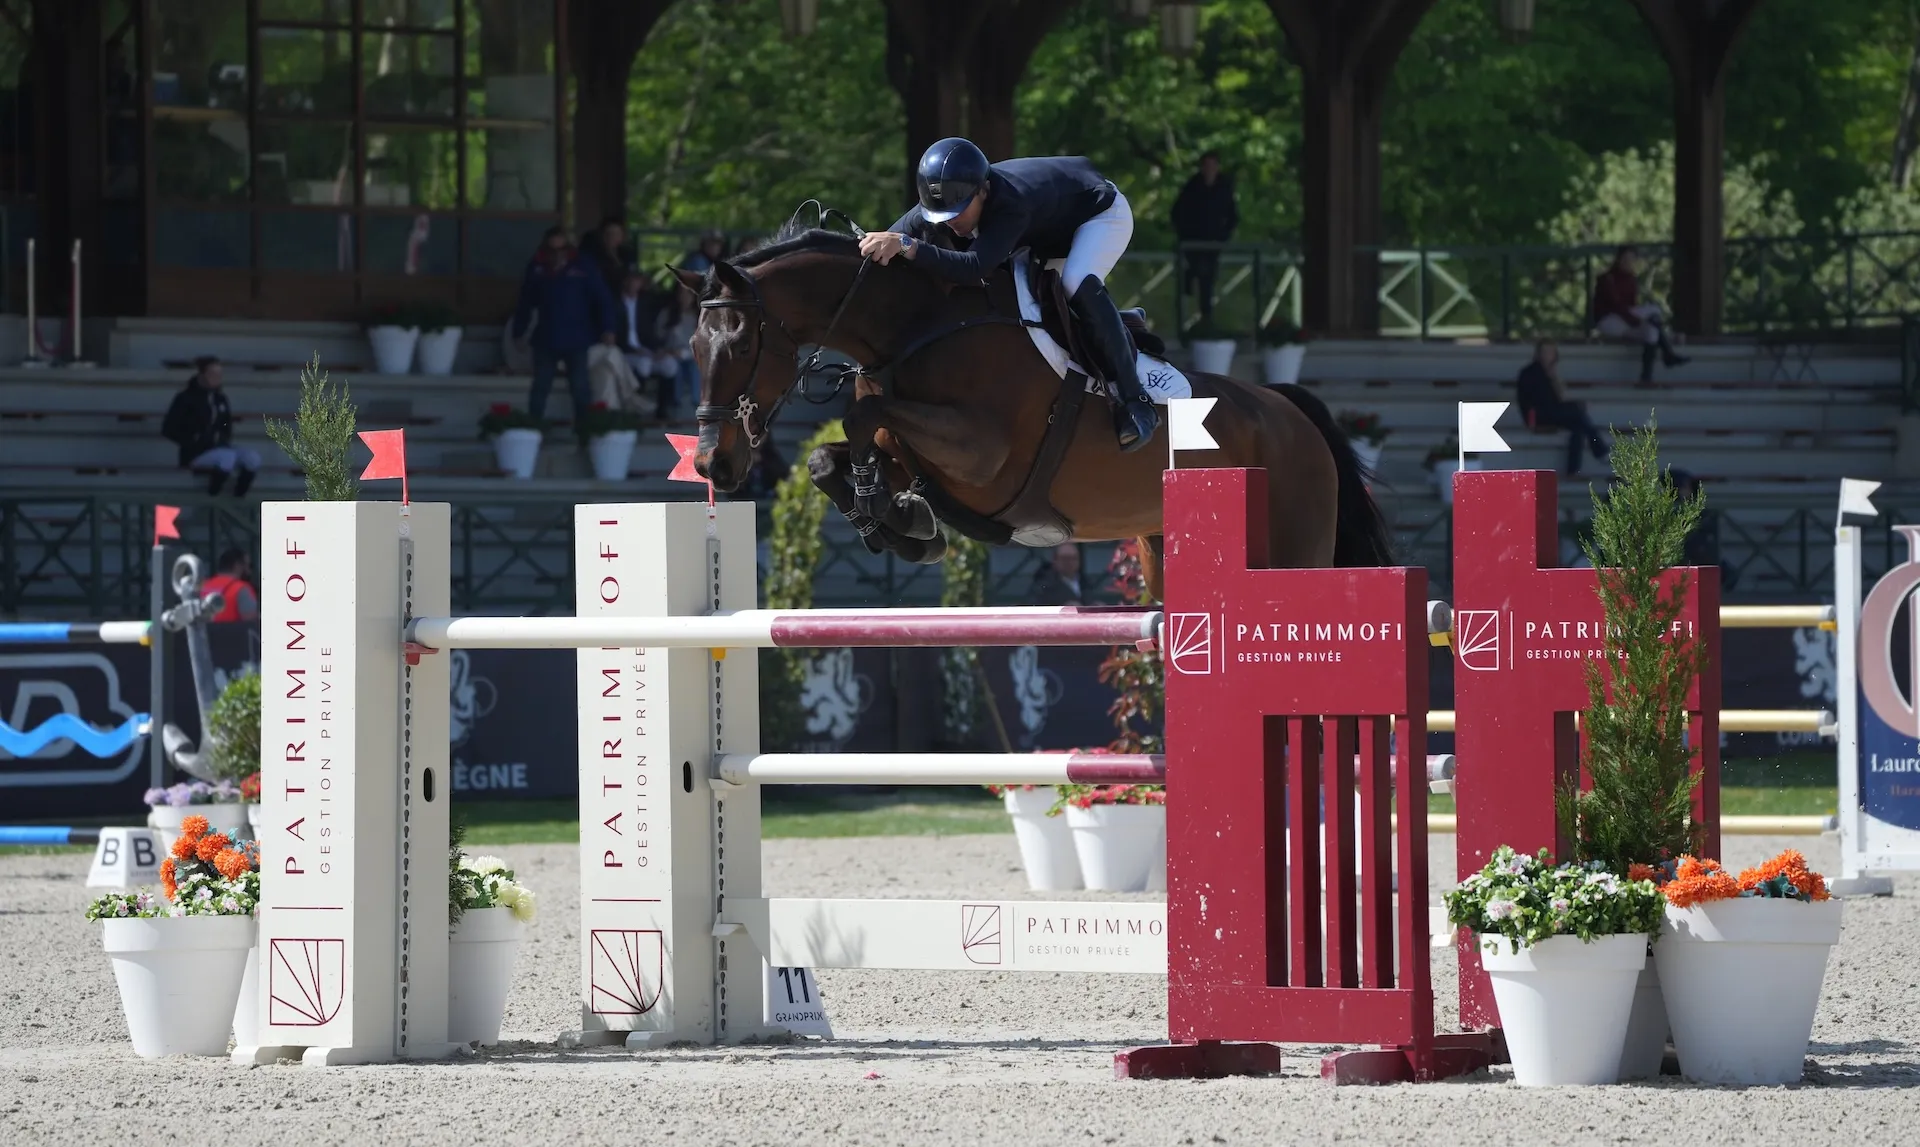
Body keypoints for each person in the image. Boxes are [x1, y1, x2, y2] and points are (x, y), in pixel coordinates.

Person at [858, 138, 1159, 453]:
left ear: (983, 191)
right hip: (1044, 230)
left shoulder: (1010, 203)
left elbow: (972, 267)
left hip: (1098, 214)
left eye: (957, 212)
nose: (949, 222)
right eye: (939, 214)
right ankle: (1113, 325)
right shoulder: (946, 198)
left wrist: (907, 245)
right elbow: (887, 249)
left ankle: (1136, 401)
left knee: (1074, 281)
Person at [510, 226, 619, 423]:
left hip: (577, 338)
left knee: (579, 388)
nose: (557, 255)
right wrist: (519, 332)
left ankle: (584, 432)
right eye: (552, 250)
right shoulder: (537, 267)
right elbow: (525, 302)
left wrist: (608, 328)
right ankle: (533, 428)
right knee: (540, 387)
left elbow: (602, 299)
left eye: (561, 249)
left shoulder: (583, 266)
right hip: (546, 337)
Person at [162, 355, 259, 496]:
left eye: (219, 374)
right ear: (201, 375)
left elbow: (225, 422)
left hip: (220, 448)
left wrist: (224, 434)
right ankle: (213, 496)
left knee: (252, 458)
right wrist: (192, 439)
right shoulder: (185, 398)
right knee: (227, 458)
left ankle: (238, 497)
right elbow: (168, 428)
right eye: (212, 374)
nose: (217, 378)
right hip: (196, 453)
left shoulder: (220, 399)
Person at [1592, 245, 1690, 382]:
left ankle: (1646, 375)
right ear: (1618, 259)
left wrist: (1639, 322)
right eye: (1625, 259)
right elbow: (1618, 307)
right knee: (1654, 310)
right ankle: (1668, 352)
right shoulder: (1607, 279)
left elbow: (1632, 306)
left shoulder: (1631, 280)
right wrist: (1637, 322)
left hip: (1626, 322)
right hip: (1609, 321)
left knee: (1651, 332)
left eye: (1631, 260)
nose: (1628, 262)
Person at [1515, 339, 1609, 475]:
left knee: (1579, 427)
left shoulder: (1550, 373)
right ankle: (1600, 450)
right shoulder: (1531, 373)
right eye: (1544, 352)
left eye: (1551, 352)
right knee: (1579, 412)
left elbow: (1559, 398)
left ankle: (1573, 469)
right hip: (1537, 415)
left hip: (1550, 412)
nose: (1547, 355)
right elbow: (1544, 401)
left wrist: (1554, 378)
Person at [1170, 151, 1238, 323]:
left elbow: (1232, 215)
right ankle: (1194, 315)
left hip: (1214, 241)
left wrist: (1224, 236)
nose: (1209, 169)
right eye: (1206, 165)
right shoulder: (1193, 186)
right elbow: (1177, 212)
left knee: (1207, 277)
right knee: (1197, 271)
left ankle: (1206, 319)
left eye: (1213, 165)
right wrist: (1184, 235)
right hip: (1192, 240)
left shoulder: (1224, 186)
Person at [199, 547, 259, 623]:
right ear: (237, 566)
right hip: (233, 634)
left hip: (206, 633)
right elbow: (252, 623)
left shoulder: (204, 586)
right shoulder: (242, 588)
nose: (249, 571)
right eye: (248, 566)